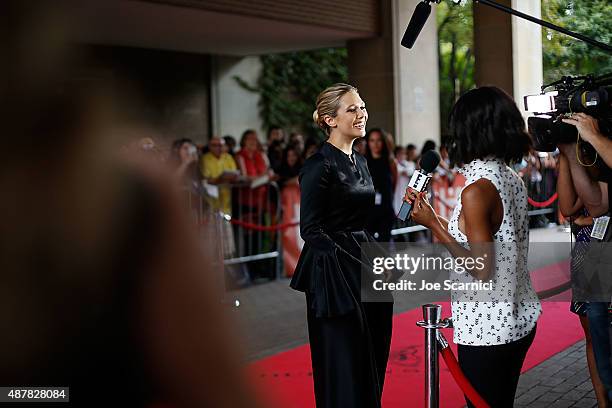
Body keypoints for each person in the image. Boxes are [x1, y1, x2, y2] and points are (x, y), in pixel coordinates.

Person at [408, 86, 541, 407]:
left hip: (488, 327)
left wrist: (435, 226)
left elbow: (482, 269)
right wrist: (435, 218)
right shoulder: (508, 176)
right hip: (516, 315)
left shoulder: (477, 190)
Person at [290, 83, 393, 408]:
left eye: (361, 106)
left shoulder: (360, 161)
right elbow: (311, 228)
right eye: (352, 109)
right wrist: (348, 263)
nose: (361, 113)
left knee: (373, 352)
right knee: (344, 362)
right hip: (333, 274)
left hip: (363, 262)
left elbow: (362, 218)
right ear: (329, 119)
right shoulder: (318, 165)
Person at [557, 149, 610, 407]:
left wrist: (590, 217)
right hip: (588, 250)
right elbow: (567, 206)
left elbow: (601, 205)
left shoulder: (603, 143)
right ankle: (602, 403)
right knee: (592, 336)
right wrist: (566, 154)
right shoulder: (579, 149)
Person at [365, 128, 397, 242]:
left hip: (386, 209)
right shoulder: (362, 162)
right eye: (372, 140)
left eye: (379, 140)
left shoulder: (391, 162)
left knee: (384, 247)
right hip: (367, 210)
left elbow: (394, 183)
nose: (375, 144)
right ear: (368, 142)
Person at [201, 136, 238, 214]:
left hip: (226, 203)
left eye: (221, 145)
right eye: (215, 145)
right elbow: (207, 179)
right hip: (210, 202)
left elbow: (234, 175)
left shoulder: (228, 157)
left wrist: (219, 179)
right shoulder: (204, 159)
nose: (218, 148)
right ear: (210, 147)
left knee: (226, 223)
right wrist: (221, 179)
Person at [393, 145, 416, 215]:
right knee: (397, 213)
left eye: (403, 154)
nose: (402, 156)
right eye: (400, 154)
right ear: (396, 155)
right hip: (396, 193)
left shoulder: (410, 164)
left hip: (406, 193)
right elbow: (400, 170)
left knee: (405, 215)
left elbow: (409, 171)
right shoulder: (394, 164)